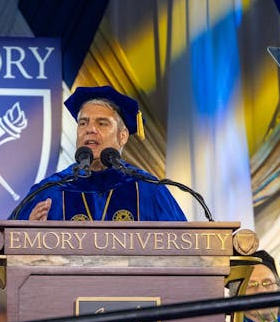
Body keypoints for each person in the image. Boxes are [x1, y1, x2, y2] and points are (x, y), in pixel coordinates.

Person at [13, 85, 186, 222]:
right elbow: (2, 244)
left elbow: (185, 246)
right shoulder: (51, 190)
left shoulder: (148, 189)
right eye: (83, 123)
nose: (90, 129)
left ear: (123, 136)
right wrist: (26, 231)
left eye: (102, 123)